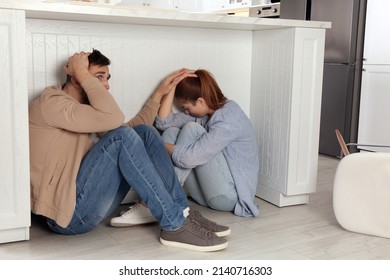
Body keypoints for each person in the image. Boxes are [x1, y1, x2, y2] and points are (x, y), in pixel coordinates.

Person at [29, 50, 229, 252]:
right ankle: (174, 224)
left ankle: (182, 212)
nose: (106, 85)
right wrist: (81, 71)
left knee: (145, 132)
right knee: (122, 136)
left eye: (107, 78)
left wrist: (159, 94)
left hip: (86, 201)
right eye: (99, 77)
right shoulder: (51, 103)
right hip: (67, 217)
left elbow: (128, 131)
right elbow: (116, 124)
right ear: (77, 78)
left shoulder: (84, 111)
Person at [113, 68, 259, 225]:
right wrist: (172, 85)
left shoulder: (229, 117)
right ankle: (154, 201)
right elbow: (164, 122)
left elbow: (189, 158)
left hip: (229, 197)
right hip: (207, 196)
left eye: (186, 108)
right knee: (172, 131)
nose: (185, 111)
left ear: (200, 101)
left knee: (191, 129)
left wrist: (157, 143)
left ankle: (154, 204)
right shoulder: (207, 114)